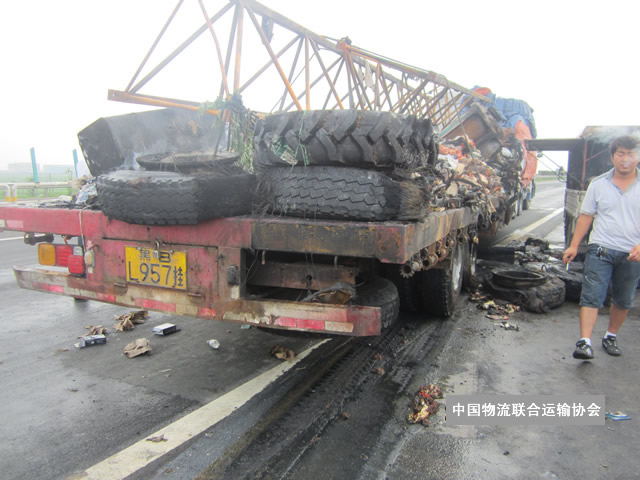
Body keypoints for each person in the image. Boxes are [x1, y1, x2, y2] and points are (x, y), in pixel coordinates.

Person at [563, 135, 640, 360]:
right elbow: (587, 216)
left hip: (632, 253)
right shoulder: (598, 184)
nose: (625, 159)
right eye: (620, 154)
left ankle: (611, 336)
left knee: (623, 299)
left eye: (630, 154)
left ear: (638, 157)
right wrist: (574, 245)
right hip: (600, 249)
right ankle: (584, 342)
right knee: (591, 296)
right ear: (612, 157)